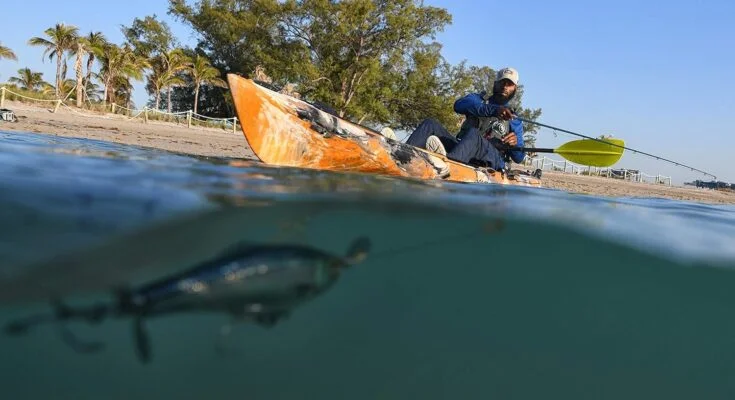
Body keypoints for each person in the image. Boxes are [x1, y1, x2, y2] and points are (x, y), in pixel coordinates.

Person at [405, 67, 526, 174]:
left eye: (509, 84)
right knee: (429, 124)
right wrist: (494, 110)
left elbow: (519, 157)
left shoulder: (515, 120)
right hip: (461, 149)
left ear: (515, 88)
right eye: (502, 82)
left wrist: (514, 145)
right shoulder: (477, 100)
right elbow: (458, 106)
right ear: (495, 84)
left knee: (474, 134)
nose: (505, 86)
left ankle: (448, 167)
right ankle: (403, 156)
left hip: (491, 158)